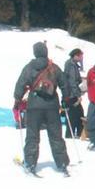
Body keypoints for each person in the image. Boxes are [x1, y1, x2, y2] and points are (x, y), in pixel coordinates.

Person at [14, 41, 70, 176]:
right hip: (52, 105)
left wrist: (17, 98)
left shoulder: (29, 67)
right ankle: (62, 163)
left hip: (34, 106)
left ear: (35, 52)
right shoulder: (54, 67)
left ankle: (30, 162)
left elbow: (21, 84)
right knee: (56, 135)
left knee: (32, 135)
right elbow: (65, 84)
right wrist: (65, 99)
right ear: (46, 52)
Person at [62, 48, 85, 139]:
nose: (82, 58)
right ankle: (72, 134)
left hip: (71, 94)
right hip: (71, 95)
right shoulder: (71, 65)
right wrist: (78, 95)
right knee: (75, 114)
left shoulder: (73, 64)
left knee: (77, 114)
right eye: (81, 56)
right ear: (76, 56)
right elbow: (72, 81)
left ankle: (74, 133)